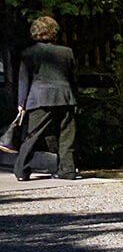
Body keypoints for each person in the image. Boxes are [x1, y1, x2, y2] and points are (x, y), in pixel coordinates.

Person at [13, 16, 81, 181]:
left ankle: (22, 170)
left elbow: (24, 80)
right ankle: (68, 170)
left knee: (33, 135)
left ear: (35, 33)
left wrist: (21, 103)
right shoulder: (67, 52)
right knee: (66, 135)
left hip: (39, 98)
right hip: (65, 97)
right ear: (54, 32)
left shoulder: (28, 53)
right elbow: (73, 79)